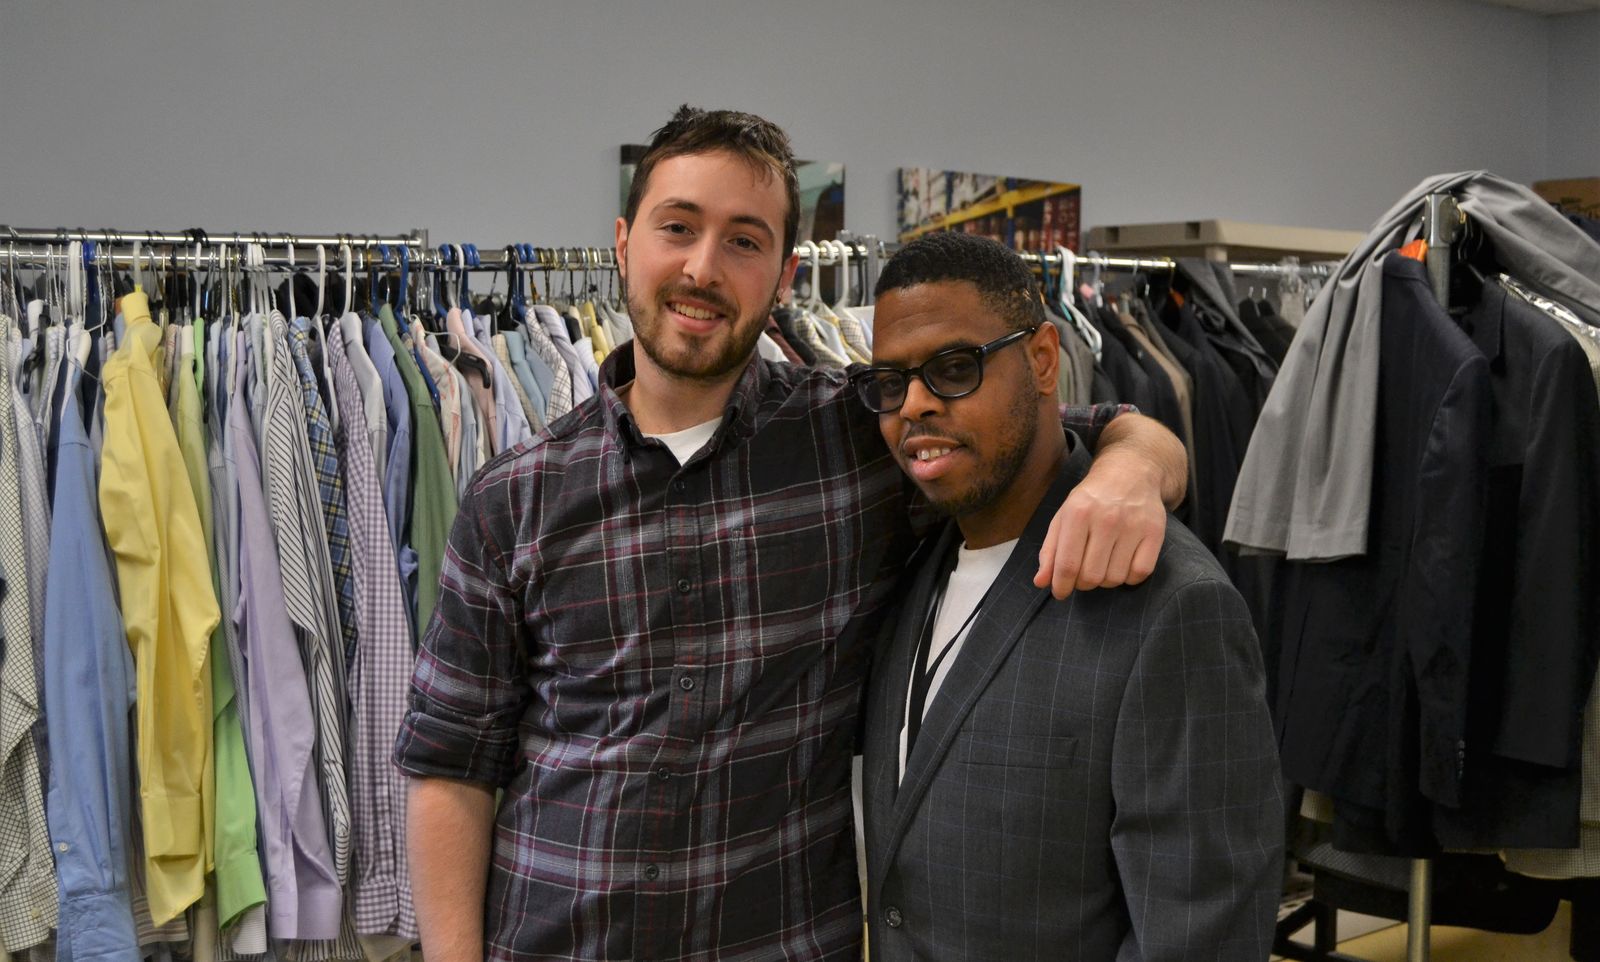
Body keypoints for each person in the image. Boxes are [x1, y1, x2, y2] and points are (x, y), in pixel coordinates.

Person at [394, 106, 1188, 962]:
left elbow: (1078, 429)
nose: (703, 267)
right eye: (678, 227)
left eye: (744, 241)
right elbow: (452, 766)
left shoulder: (859, 436)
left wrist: (1133, 470)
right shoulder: (512, 498)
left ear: (785, 275)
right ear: (624, 244)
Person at [856, 232, 1283, 962]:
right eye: (891, 384)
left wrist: (1141, 457)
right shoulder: (909, 557)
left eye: (955, 368)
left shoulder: (1171, 607)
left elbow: (1200, 934)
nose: (916, 405)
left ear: (1044, 360)